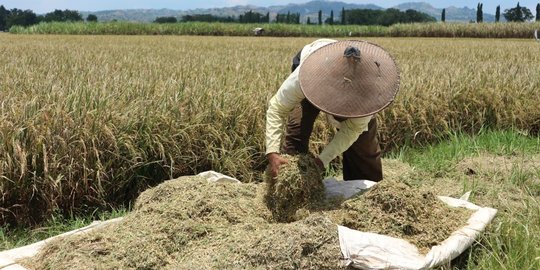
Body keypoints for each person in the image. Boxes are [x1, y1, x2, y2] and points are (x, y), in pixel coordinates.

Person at [265, 39, 400, 181]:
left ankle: (365, 190)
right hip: (313, 68)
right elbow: (277, 108)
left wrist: (322, 161)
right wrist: (272, 152)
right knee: (297, 130)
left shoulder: (369, 92)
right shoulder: (306, 76)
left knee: (364, 142)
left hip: (357, 90)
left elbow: (352, 130)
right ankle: (288, 185)